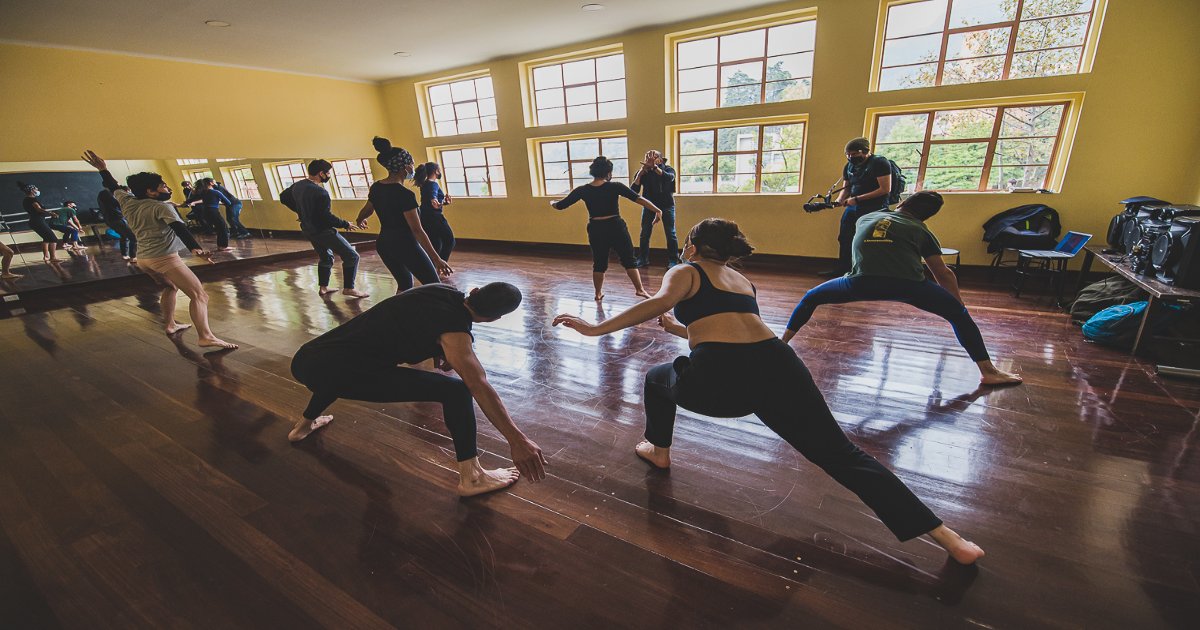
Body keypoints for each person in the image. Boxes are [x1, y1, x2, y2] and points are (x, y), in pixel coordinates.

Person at [552, 217, 986, 565]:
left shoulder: (685, 269)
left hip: (720, 382)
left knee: (655, 379)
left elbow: (657, 303)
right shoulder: (741, 281)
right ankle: (948, 538)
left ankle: (658, 449)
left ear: (691, 246)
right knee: (841, 455)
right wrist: (682, 330)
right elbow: (730, 331)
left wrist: (594, 329)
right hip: (779, 365)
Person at [289, 281, 547, 497]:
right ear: (494, 319)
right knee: (456, 391)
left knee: (349, 364)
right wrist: (517, 440)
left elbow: (408, 320)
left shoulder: (438, 289)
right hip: (337, 372)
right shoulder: (455, 332)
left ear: (476, 290)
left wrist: (436, 347)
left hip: (307, 359)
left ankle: (302, 427)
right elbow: (477, 384)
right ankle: (473, 478)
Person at [783, 191, 1022, 386]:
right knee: (959, 316)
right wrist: (957, 304)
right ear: (927, 216)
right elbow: (942, 272)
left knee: (810, 298)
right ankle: (988, 371)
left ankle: (781, 344)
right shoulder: (921, 230)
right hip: (908, 286)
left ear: (904, 202)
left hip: (859, 282)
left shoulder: (865, 219)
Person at [82, 150, 238, 349]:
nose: (167, 188)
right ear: (151, 192)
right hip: (164, 259)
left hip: (144, 259)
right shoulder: (162, 207)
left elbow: (113, 186)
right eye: (163, 186)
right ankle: (205, 336)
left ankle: (171, 324)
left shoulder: (127, 201)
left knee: (169, 287)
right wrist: (195, 249)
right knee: (200, 296)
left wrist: (103, 169)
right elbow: (180, 228)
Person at [550, 156, 662, 301]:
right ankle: (640, 290)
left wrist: (552, 202)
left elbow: (560, 206)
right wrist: (657, 210)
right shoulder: (615, 186)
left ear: (593, 172)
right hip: (616, 226)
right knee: (629, 259)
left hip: (596, 228)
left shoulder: (582, 190)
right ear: (608, 173)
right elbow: (638, 199)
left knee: (599, 262)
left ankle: (597, 293)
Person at [355, 138, 452, 293]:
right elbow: (417, 230)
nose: (414, 167)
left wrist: (360, 219)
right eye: (412, 163)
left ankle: (398, 314)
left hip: (384, 244)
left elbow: (367, 209)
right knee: (433, 284)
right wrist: (437, 258)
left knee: (405, 283)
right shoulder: (405, 194)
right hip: (405, 244)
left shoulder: (377, 187)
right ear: (405, 167)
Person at [281, 159, 368, 299]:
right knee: (352, 256)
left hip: (308, 228)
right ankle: (349, 288)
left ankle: (323, 288)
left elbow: (283, 198)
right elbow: (325, 217)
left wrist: (302, 212)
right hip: (322, 230)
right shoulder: (321, 193)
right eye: (328, 173)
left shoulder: (298, 185)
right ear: (321, 173)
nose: (329, 175)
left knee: (326, 257)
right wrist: (345, 224)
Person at [820, 137, 893, 277]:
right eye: (848, 154)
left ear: (866, 151)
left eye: (854, 154)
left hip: (874, 208)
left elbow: (885, 189)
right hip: (853, 208)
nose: (850, 157)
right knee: (845, 238)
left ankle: (866, 273)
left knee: (867, 240)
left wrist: (857, 199)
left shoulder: (880, 163)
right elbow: (846, 188)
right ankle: (843, 270)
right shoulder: (849, 166)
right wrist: (839, 200)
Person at [631, 150, 679, 269]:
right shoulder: (643, 172)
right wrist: (641, 173)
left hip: (667, 206)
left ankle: (673, 260)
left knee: (670, 233)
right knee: (645, 233)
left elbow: (669, 178)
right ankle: (643, 259)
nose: (650, 158)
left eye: (654, 156)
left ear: (661, 159)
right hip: (649, 206)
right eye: (648, 156)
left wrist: (655, 168)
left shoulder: (668, 169)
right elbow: (633, 191)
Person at [413, 161, 455, 261]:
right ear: (436, 171)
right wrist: (440, 203)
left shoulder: (425, 184)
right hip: (434, 217)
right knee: (449, 241)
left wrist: (443, 203)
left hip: (425, 216)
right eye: (439, 170)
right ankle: (441, 265)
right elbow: (434, 202)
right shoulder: (432, 184)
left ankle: (435, 267)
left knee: (436, 243)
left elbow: (431, 201)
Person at [17, 181, 60, 262]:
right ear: (32, 190)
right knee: (53, 239)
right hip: (37, 221)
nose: (38, 190)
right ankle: (53, 258)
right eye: (36, 189)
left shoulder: (27, 200)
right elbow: (38, 209)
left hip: (36, 221)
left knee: (47, 238)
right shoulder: (31, 200)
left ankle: (46, 256)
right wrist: (50, 213)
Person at [191, 178, 233, 251]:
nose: (215, 182)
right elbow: (228, 202)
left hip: (205, 212)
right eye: (214, 181)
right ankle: (223, 246)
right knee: (223, 228)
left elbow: (192, 199)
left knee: (219, 228)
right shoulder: (216, 192)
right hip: (213, 211)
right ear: (211, 183)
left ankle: (221, 246)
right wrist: (218, 202)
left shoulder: (203, 192)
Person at [98, 186, 138, 261]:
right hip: (117, 219)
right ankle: (133, 257)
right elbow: (118, 203)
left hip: (112, 219)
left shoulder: (102, 194)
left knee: (124, 236)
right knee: (133, 237)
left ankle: (124, 255)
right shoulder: (107, 194)